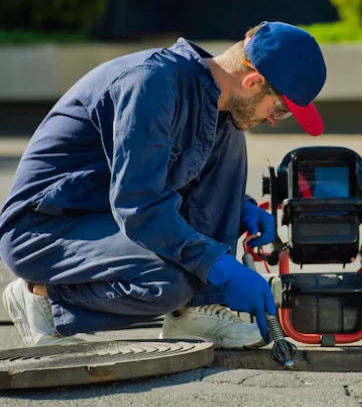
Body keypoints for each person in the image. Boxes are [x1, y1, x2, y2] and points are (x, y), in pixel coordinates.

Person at [0, 21, 326, 348]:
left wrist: (237, 206)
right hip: (44, 230)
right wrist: (217, 264)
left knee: (230, 134)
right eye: (281, 110)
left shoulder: (213, 100)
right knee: (168, 282)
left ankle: (195, 314)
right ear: (253, 81)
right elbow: (138, 207)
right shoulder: (151, 84)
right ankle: (41, 298)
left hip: (105, 218)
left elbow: (173, 183)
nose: (274, 120)